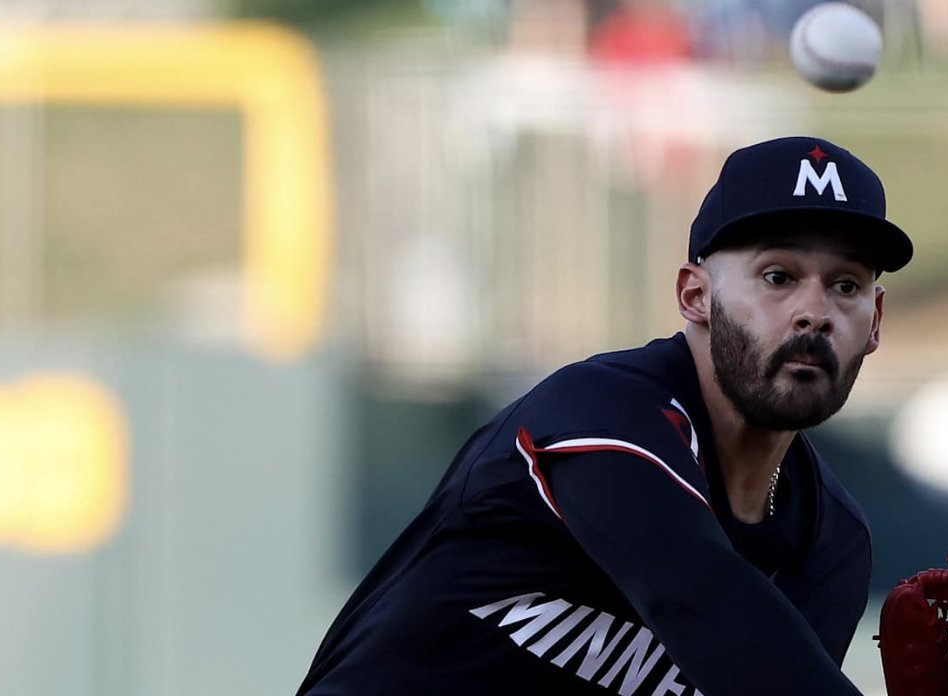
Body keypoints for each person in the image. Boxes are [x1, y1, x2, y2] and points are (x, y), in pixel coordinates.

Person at [297, 136, 914, 695]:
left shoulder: (831, 544)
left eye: (846, 286)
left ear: (876, 322)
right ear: (695, 295)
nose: (815, 312)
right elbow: (699, 597)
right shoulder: (603, 416)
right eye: (778, 277)